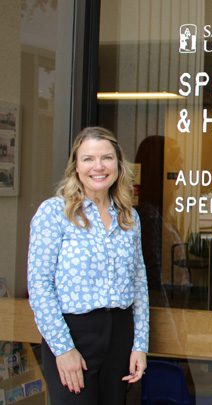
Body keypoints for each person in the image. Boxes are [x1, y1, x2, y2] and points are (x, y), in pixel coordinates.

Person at [27, 127, 149, 404]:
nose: (98, 166)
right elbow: (40, 286)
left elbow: (139, 284)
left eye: (106, 158)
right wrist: (62, 349)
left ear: (118, 164)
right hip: (73, 334)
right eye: (88, 159)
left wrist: (139, 345)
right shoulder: (54, 213)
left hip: (120, 335)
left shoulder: (129, 218)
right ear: (76, 167)